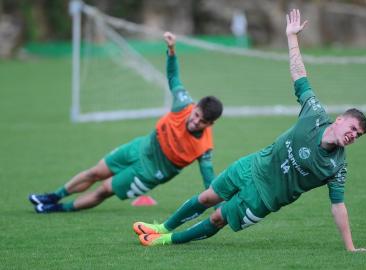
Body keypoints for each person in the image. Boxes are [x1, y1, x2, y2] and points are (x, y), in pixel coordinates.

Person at [133, 9, 366, 252]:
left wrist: (350, 248)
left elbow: (338, 206)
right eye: (353, 128)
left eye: (358, 135)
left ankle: (167, 240)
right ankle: (162, 227)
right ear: (340, 120)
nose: (354, 135)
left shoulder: (337, 166)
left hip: (264, 197)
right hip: (252, 165)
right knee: (207, 197)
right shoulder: (315, 113)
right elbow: (299, 74)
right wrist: (292, 37)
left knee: (217, 218)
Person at [28, 32, 223, 214]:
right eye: (196, 115)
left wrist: (219, 208)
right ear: (195, 107)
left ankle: (59, 208)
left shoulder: (204, 149)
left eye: (202, 121)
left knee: (104, 189)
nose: (195, 121)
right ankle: (54, 196)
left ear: (210, 124)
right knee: (96, 172)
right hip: (141, 147)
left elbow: (209, 181)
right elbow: (173, 77)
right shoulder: (183, 104)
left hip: (151, 172)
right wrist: (171, 50)